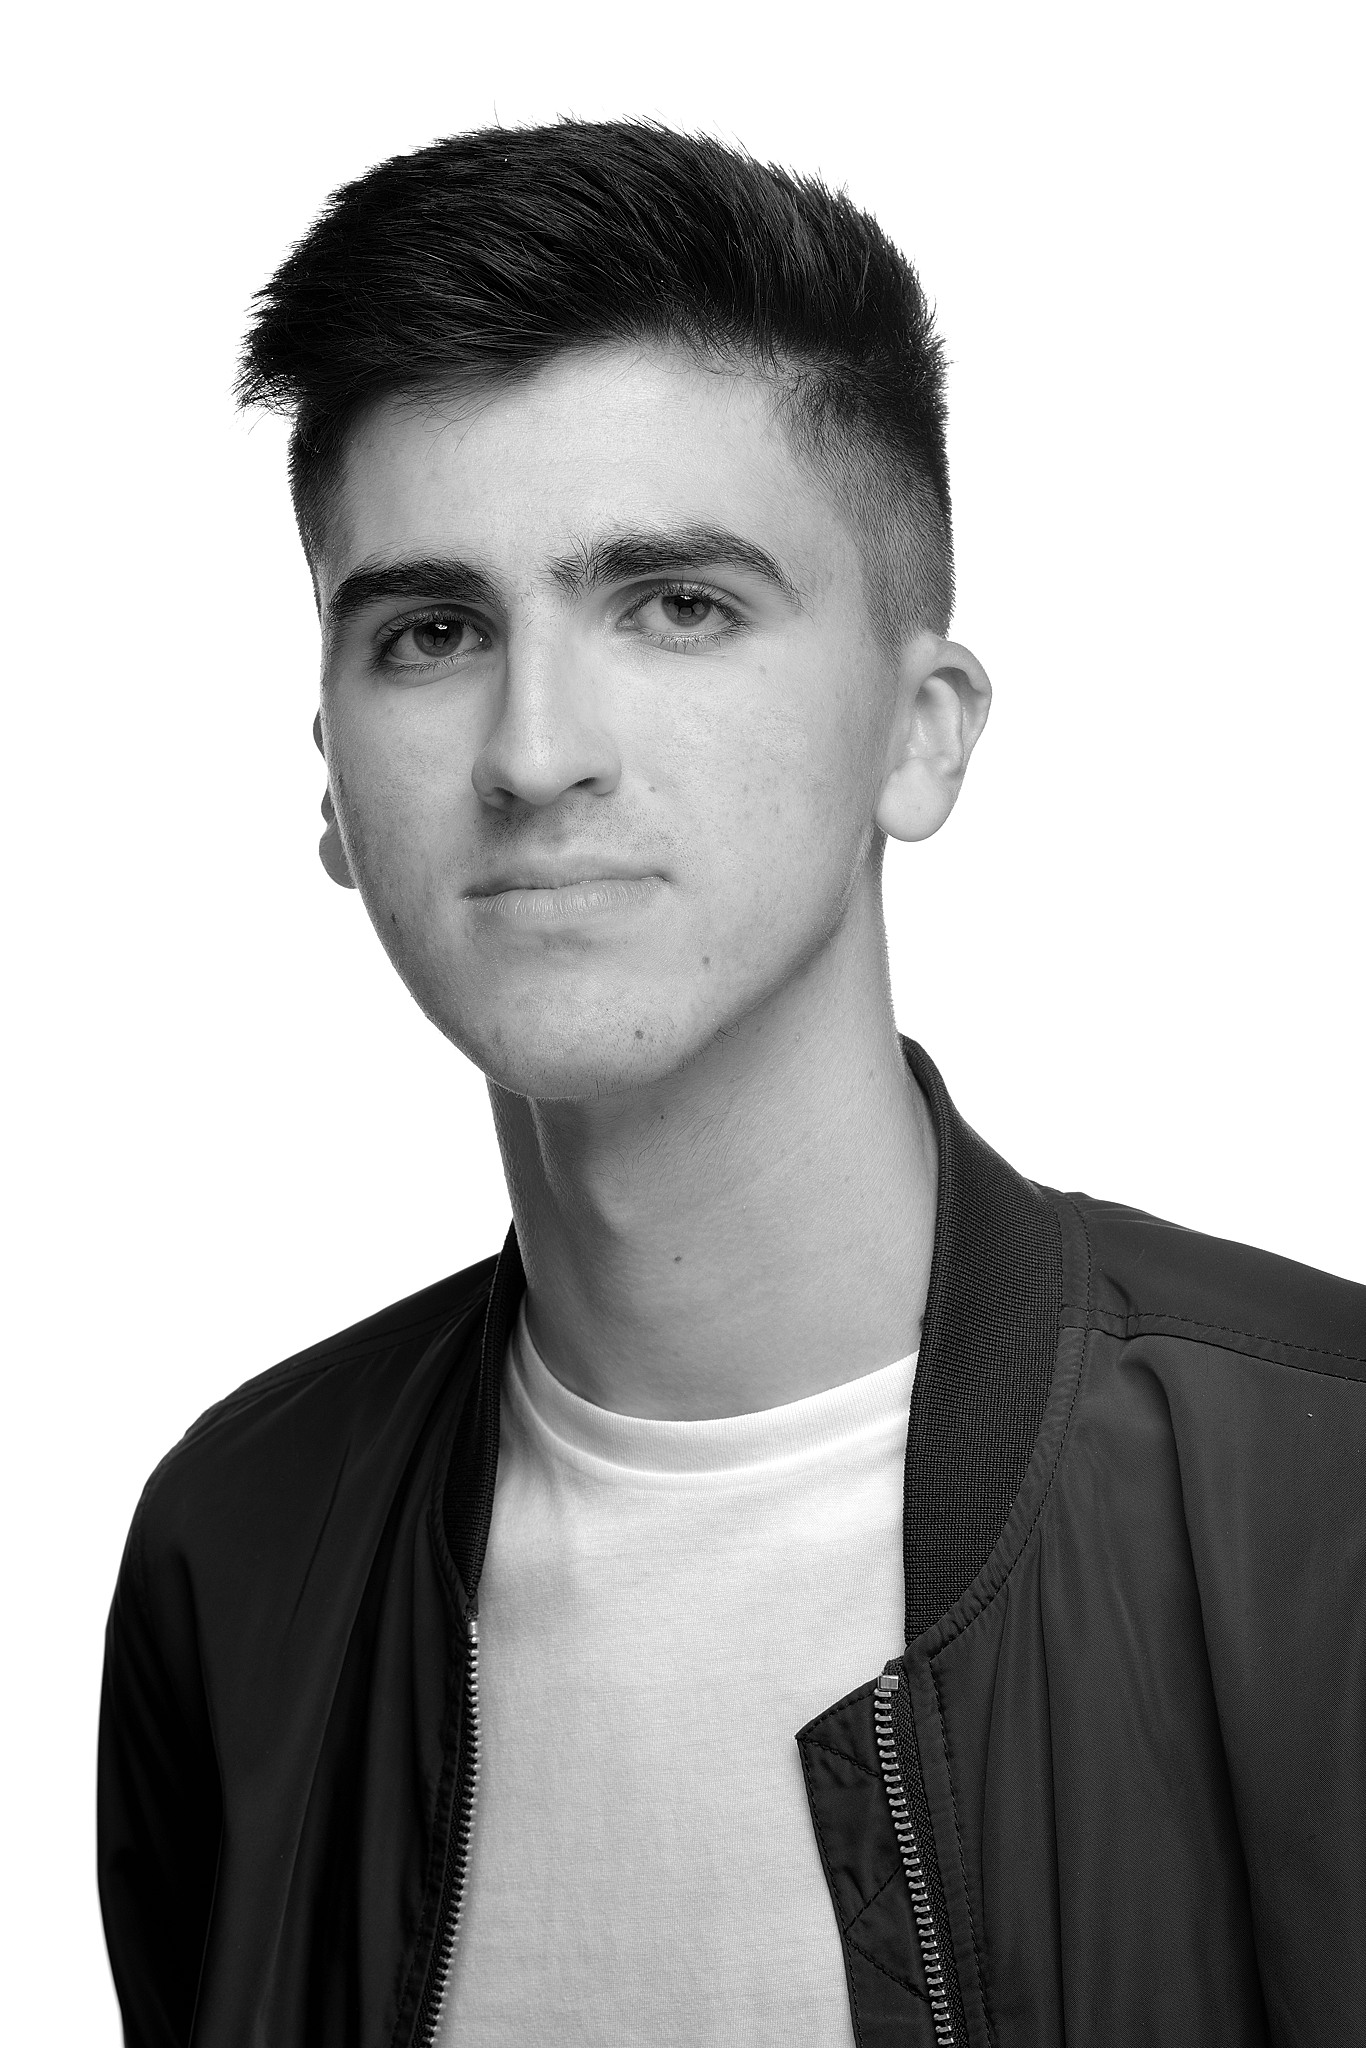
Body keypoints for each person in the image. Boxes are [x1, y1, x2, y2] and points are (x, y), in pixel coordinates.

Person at [96, 120, 1366, 2048]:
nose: (534, 750)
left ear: (919, 736)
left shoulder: (1321, 1500)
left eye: (676, 605)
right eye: (431, 633)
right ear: (333, 781)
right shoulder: (240, 1550)